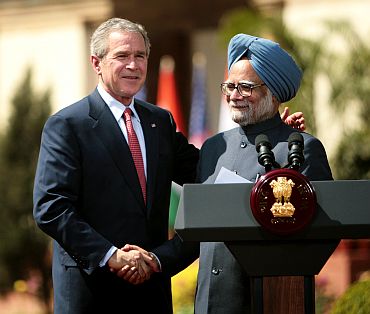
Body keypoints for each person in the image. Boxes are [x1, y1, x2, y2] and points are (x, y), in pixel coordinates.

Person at [33, 17, 199, 314]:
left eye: (140, 56)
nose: (133, 65)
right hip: (92, 291)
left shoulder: (159, 122)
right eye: (122, 56)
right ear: (96, 62)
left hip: (151, 292)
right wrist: (110, 255)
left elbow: (203, 170)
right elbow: (51, 207)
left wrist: (275, 137)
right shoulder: (68, 125)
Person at [193, 34, 333, 314]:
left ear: (273, 92)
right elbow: (198, 225)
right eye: (230, 86)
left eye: (245, 87)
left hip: (269, 298)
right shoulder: (212, 147)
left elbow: (323, 232)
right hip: (209, 301)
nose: (234, 95)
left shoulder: (301, 148)